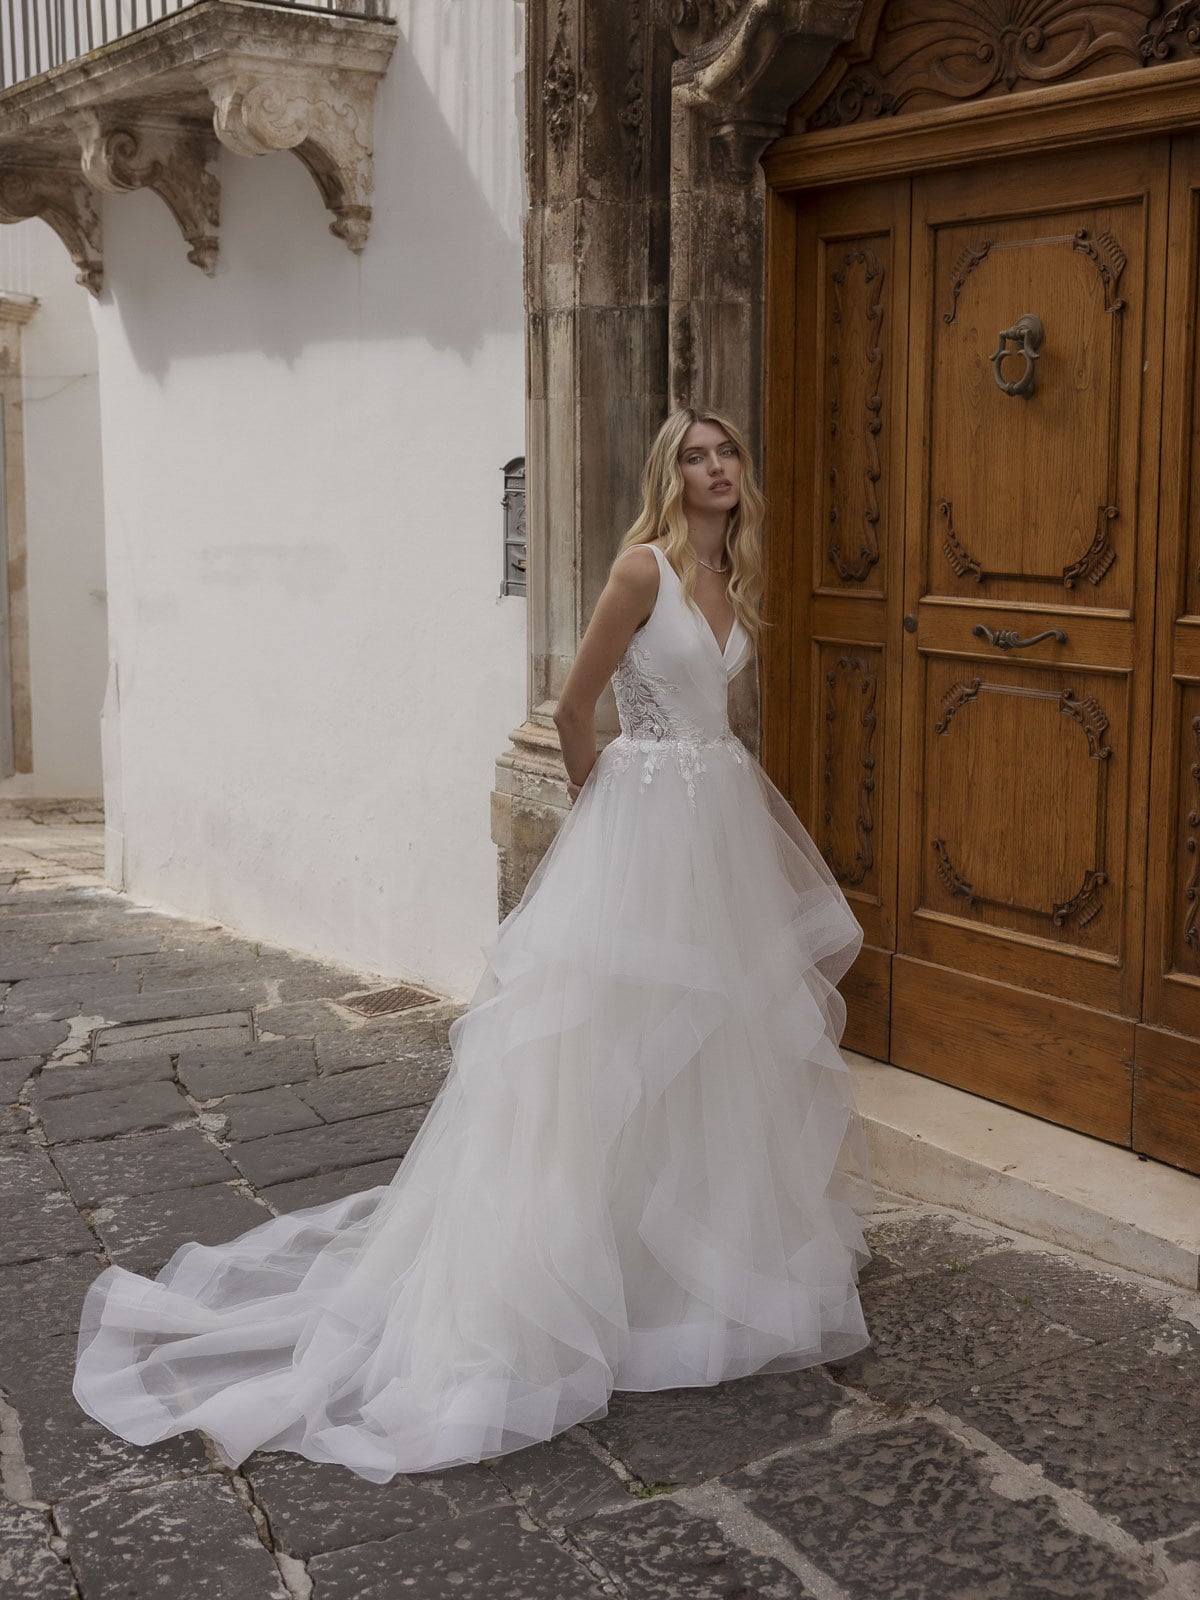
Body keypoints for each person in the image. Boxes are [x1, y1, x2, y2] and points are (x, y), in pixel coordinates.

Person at [72, 405, 875, 1484]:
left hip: (720, 817)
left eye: (728, 451)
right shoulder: (643, 569)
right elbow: (577, 703)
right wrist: (604, 814)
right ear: (667, 473)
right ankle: (570, 1270)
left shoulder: (741, 572)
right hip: (644, 825)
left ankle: (682, 1270)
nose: (717, 467)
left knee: (714, 1045)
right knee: (608, 1049)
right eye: (695, 454)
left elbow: (706, 702)